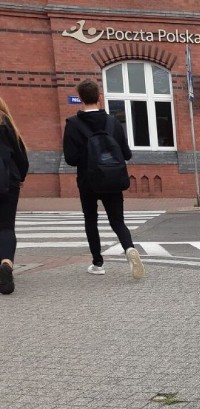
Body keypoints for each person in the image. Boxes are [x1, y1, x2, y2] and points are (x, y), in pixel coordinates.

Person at [63, 79, 143, 279]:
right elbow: (126, 154)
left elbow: (70, 159)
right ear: (99, 97)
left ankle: (98, 263)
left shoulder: (72, 124)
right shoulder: (113, 122)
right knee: (117, 221)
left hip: (87, 181)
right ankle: (129, 248)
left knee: (91, 220)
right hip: (113, 180)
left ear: (80, 98)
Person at [0, 97, 30, 295]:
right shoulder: (5, 123)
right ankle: (6, 263)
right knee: (6, 227)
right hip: (8, 179)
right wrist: (21, 176)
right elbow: (21, 155)